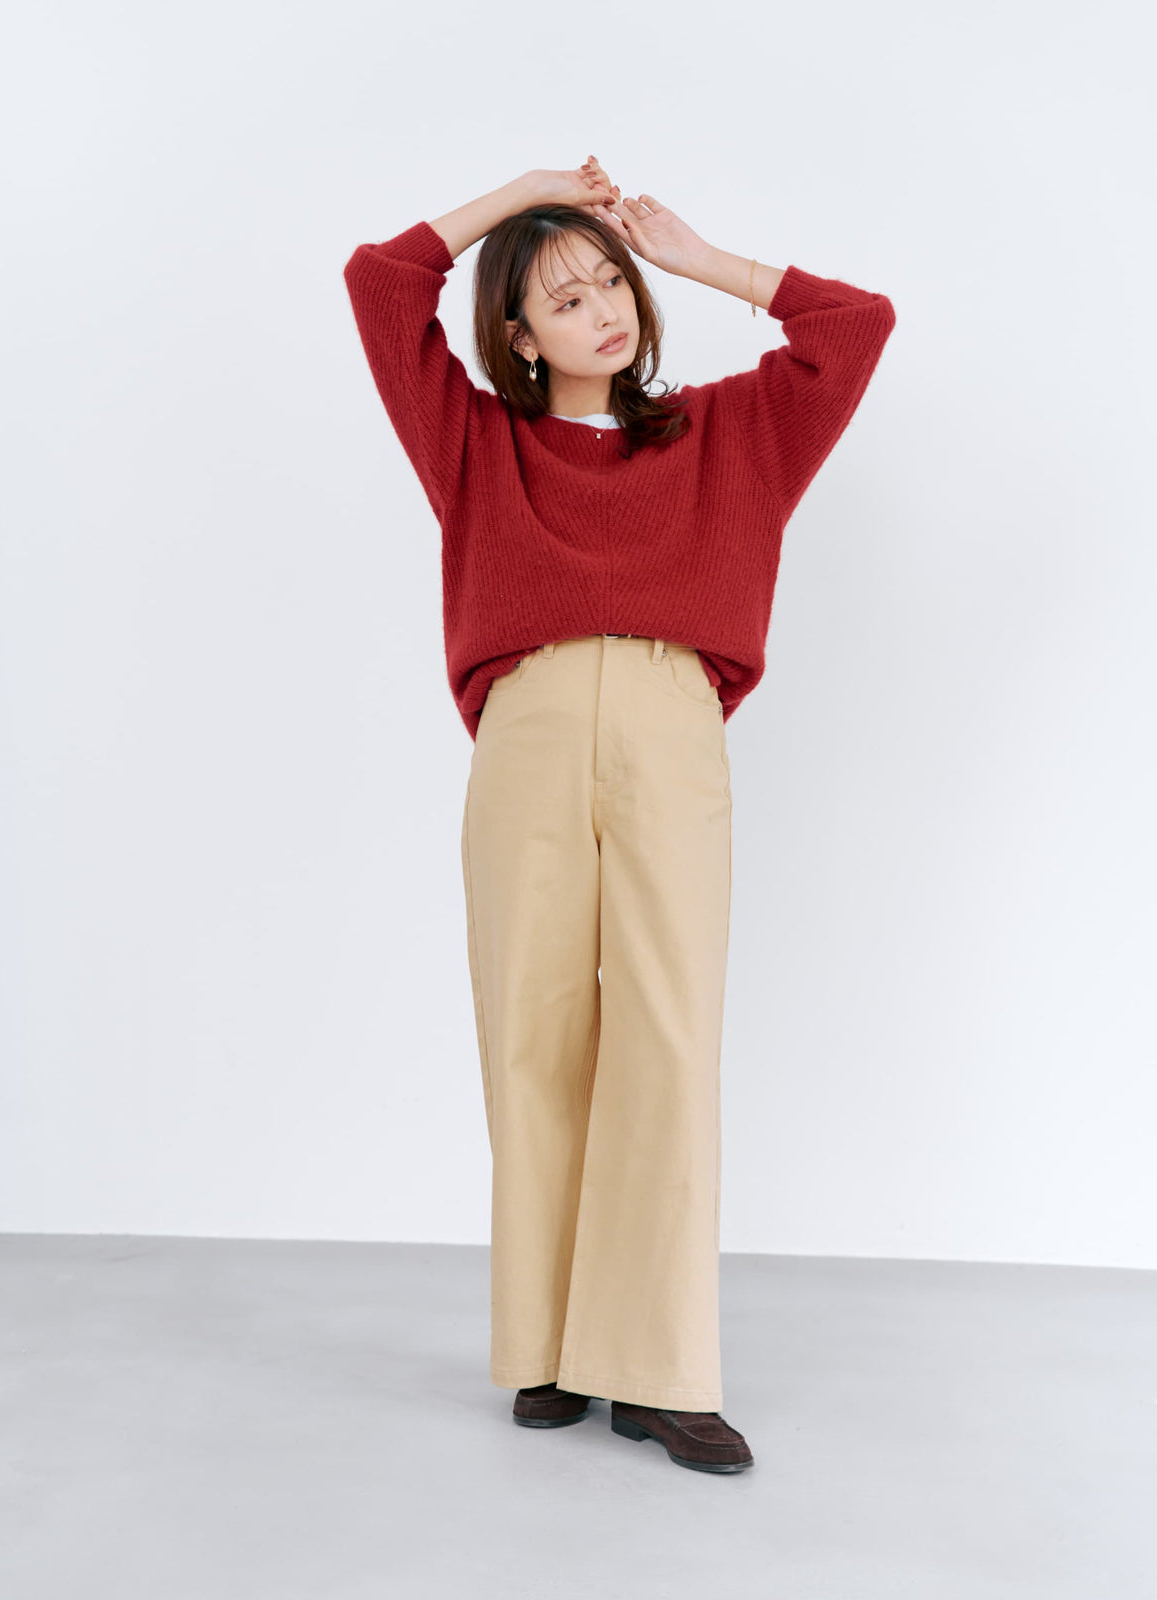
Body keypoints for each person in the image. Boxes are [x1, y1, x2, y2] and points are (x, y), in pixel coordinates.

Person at [343, 157, 895, 1476]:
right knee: (531, 1031)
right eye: (564, 297)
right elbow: (380, 281)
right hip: (528, 730)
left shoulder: (726, 433)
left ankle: (655, 1370)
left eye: (609, 283)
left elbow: (853, 325)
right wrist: (525, 194)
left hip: (668, 723)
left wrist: (696, 257)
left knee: (666, 1032)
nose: (602, 309)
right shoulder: (476, 442)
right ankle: (545, 1348)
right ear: (519, 337)